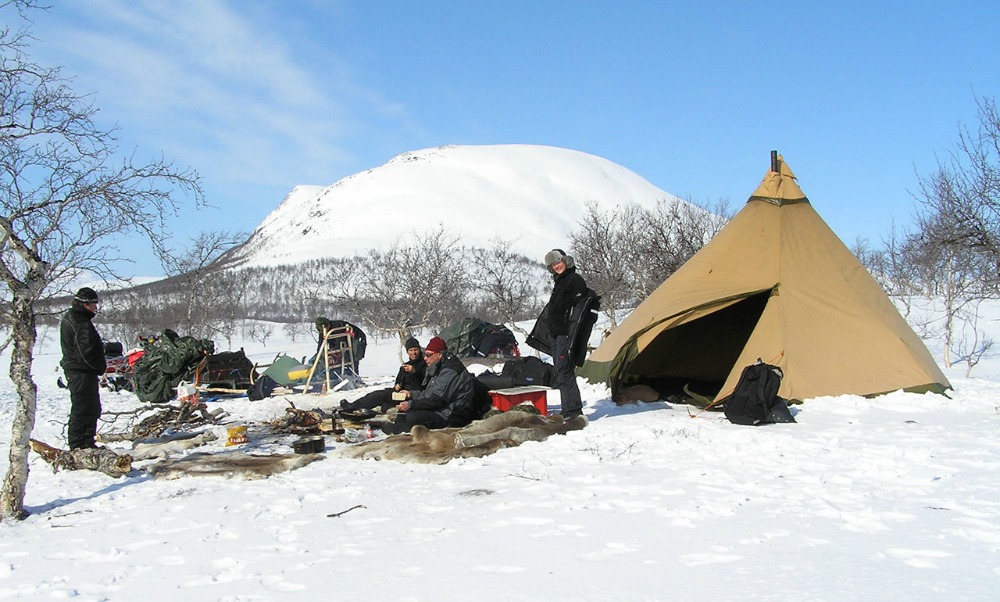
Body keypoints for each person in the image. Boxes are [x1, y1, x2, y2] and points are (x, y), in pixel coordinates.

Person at [381, 336, 475, 434]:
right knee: (403, 413)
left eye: (428, 355)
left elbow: (436, 400)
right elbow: (429, 393)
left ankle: (401, 432)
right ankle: (399, 429)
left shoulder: (450, 371)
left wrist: (411, 404)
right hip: (443, 409)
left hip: (453, 415)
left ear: (439, 355)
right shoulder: (439, 367)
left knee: (412, 417)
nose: (425, 358)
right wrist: (411, 394)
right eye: (425, 354)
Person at [541, 249, 587, 420]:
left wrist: (572, 327)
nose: (557, 266)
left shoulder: (574, 279)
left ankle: (573, 409)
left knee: (564, 369)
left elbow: (581, 305)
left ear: (566, 261)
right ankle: (567, 408)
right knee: (560, 371)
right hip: (556, 333)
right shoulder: (560, 282)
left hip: (565, 333)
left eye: (558, 262)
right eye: (553, 265)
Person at [59, 287, 107, 450]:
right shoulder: (79, 322)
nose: (96, 307)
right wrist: (98, 367)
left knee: (91, 407)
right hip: (81, 372)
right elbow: (85, 351)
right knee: (83, 408)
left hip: (80, 371)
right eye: (94, 303)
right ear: (85, 304)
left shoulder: (76, 318)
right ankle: (78, 445)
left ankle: (87, 442)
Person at [340, 337, 427, 413]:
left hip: (412, 396)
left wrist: (414, 372)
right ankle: (353, 406)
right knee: (376, 395)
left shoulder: (425, 365)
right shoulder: (405, 366)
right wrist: (397, 386)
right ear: (407, 352)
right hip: (400, 394)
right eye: (411, 350)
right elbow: (398, 381)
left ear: (419, 350)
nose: (414, 353)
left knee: (384, 404)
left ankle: (355, 407)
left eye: (416, 350)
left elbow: (424, 384)